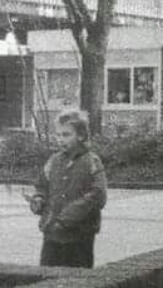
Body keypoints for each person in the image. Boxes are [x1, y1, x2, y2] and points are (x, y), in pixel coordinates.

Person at [29, 109, 107, 268]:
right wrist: (38, 200)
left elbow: (98, 195)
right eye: (58, 135)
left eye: (66, 135)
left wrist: (69, 215)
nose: (60, 139)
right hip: (52, 233)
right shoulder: (53, 161)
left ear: (81, 136)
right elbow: (42, 185)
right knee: (47, 276)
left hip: (80, 235)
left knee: (76, 278)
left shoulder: (92, 161)